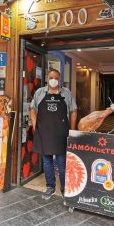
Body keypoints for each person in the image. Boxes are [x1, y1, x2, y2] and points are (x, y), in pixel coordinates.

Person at [30, 69, 77, 200]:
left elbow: (73, 110)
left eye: (56, 77)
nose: (53, 79)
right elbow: (32, 109)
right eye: (51, 77)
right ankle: (50, 187)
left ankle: (63, 189)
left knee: (62, 163)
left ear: (59, 79)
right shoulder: (39, 92)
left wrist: (72, 130)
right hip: (44, 132)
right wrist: (35, 125)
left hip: (61, 133)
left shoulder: (66, 93)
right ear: (47, 78)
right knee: (47, 162)